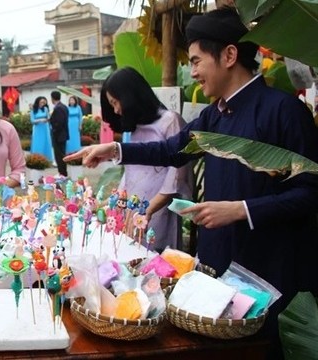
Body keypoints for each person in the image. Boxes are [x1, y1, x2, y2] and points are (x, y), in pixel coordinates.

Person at [66, 7, 318, 356]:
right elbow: (172, 150)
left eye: (198, 61)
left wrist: (242, 210)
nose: (193, 71)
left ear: (229, 55)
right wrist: (115, 150)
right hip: (220, 269)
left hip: (268, 271)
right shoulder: (215, 115)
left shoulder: (284, 112)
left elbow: (309, 194)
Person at [101, 67, 193, 251]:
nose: (116, 110)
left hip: (158, 211)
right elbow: (130, 174)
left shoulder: (170, 121)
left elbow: (175, 179)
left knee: (156, 262)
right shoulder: (134, 128)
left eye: (116, 102)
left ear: (130, 96)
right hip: (133, 210)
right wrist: (115, 202)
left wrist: (148, 210)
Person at [49, 90, 69, 176]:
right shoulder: (64, 106)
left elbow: (59, 123)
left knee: (59, 155)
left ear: (52, 98)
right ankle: (62, 172)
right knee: (61, 154)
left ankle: (62, 173)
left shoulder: (58, 108)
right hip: (62, 134)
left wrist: (54, 130)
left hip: (59, 135)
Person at [29, 96, 54, 162]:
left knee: (46, 141)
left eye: (44, 102)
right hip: (37, 128)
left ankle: (47, 159)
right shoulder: (33, 110)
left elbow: (48, 118)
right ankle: (36, 158)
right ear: (38, 102)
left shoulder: (45, 109)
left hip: (45, 128)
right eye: (41, 102)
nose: (42, 103)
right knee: (37, 142)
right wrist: (40, 120)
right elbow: (32, 120)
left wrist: (48, 119)